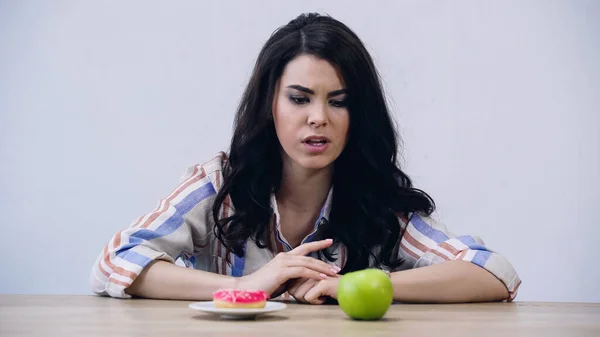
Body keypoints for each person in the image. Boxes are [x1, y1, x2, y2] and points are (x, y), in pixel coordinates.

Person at [90, 13, 521, 304]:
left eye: (339, 101)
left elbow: (494, 273)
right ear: (269, 105)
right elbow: (116, 260)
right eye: (299, 99)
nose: (318, 119)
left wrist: (356, 284)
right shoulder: (219, 183)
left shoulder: (379, 202)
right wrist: (244, 286)